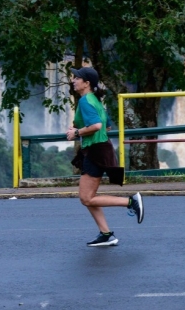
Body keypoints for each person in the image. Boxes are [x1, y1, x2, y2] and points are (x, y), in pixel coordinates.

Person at [67, 67, 143, 247]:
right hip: (98, 149)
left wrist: (77, 132)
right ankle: (106, 233)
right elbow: (107, 126)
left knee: (86, 198)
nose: (73, 80)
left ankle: (131, 202)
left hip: (96, 151)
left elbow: (97, 125)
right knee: (89, 196)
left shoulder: (86, 101)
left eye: (76, 78)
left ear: (86, 83)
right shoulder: (95, 100)